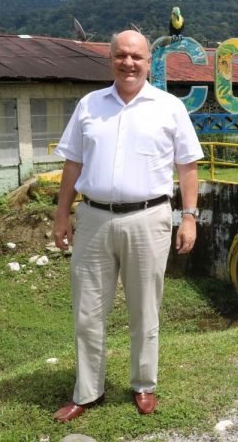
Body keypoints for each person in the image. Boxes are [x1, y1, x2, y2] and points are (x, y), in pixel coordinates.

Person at [51, 30, 204, 422]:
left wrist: (189, 216)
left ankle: (143, 384)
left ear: (148, 61)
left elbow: (187, 165)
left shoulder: (169, 107)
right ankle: (87, 391)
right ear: (111, 59)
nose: (128, 63)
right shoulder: (89, 105)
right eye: (121, 55)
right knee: (87, 311)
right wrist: (62, 213)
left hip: (148, 218)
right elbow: (73, 163)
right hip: (94, 218)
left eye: (136, 56)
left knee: (144, 310)